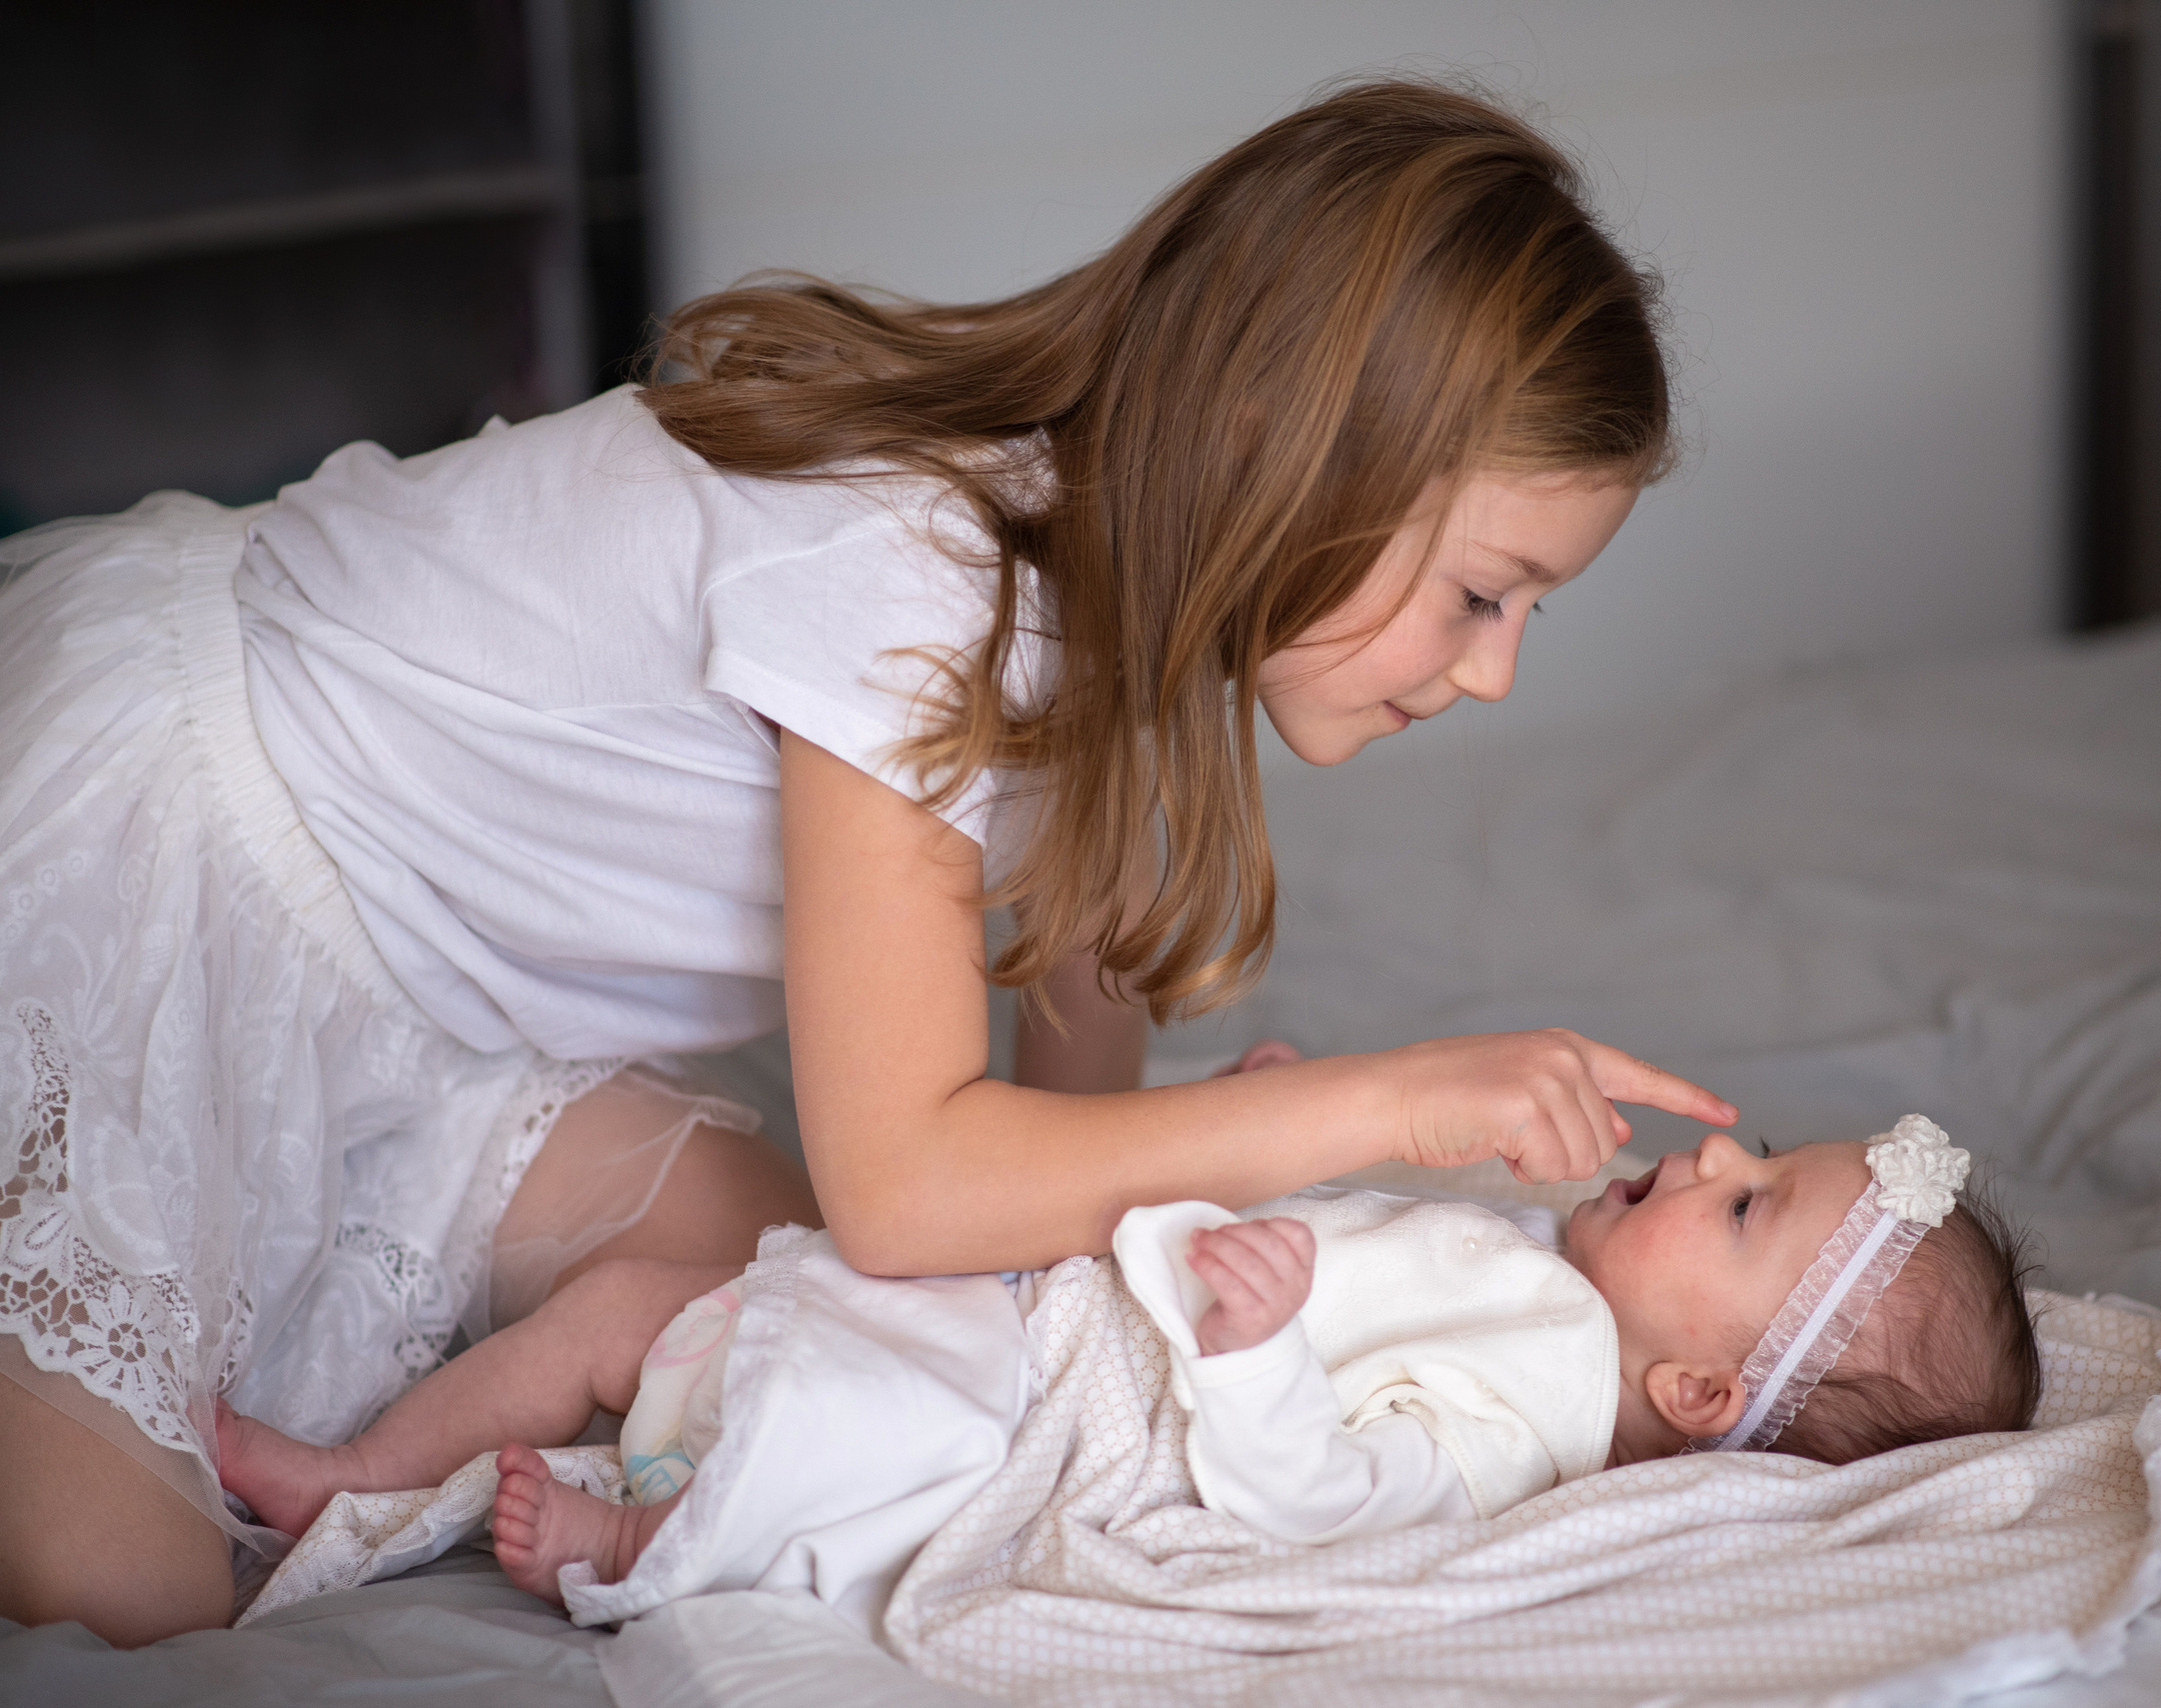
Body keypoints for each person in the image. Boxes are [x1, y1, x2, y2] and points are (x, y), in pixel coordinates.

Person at [0, 79, 1739, 1643]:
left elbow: (1043, 1207)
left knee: (845, 1319)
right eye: (1486, 592)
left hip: (447, 994)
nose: (1498, 667)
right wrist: (1390, 1101)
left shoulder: (1138, 660)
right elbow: (917, 1184)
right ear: (1308, 462)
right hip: (196, 842)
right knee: (135, 1600)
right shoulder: (913, 569)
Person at [212, 1117, 2040, 1628]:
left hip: (1046, 1389)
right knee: (634, 1296)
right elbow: (1335, 1258)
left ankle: (648, 1536)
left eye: (1742, 1211)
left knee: (859, 1424)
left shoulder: (1547, 1398)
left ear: (1707, 1396)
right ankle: (354, 1469)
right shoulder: (1540, 1274)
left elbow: (1337, 1494)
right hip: (1035, 1296)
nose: (1704, 1162)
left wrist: (1247, 1360)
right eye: (1748, 1159)